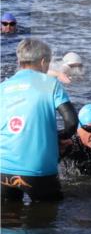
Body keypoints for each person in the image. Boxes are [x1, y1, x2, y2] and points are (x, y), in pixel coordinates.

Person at [1, 39, 78, 203]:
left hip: (3, 169)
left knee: (9, 214)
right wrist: (59, 138)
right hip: (38, 170)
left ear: (19, 61)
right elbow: (71, 122)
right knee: (47, 215)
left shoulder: (3, 87)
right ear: (43, 62)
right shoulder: (50, 84)